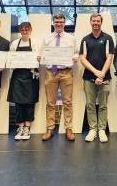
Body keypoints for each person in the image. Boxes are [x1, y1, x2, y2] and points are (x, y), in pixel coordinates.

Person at [40, 13, 78, 141]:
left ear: (64, 22)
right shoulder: (47, 38)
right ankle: (50, 128)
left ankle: (69, 128)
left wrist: (76, 57)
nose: (59, 24)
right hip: (51, 72)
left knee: (67, 102)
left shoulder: (71, 38)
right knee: (50, 102)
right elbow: (42, 55)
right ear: (53, 23)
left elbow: (76, 53)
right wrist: (41, 58)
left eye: (61, 22)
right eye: (56, 22)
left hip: (66, 72)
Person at [80, 13, 115, 142]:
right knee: (90, 104)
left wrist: (102, 73)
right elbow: (82, 58)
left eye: (98, 21)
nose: (96, 23)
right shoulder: (85, 39)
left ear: (101, 22)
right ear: (90, 22)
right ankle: (92, 129)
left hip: (105, 77)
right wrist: (96, 72)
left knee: (103, 105)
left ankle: (101, 130)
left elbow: (110, 57)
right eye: (93, 21)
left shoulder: (108, 38)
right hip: (88, 77)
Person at [7, 22, 39, 141]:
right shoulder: (15, 43)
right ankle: (20, 127)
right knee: (18, 103)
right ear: (20, 30)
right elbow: (11, 59)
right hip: (17, 76)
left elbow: (38, 58)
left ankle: (27, 127)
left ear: (31, 30)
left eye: (27, 29)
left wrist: (37, 60)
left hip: (31, 76)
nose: (24, 31)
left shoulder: (35, 43)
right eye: (22, 29)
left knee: (30, 102)